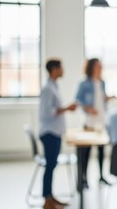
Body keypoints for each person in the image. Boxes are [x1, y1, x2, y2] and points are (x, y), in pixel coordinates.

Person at [39, 59, 77, 209]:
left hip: (55, 133)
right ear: (54, 69)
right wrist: (66, 108)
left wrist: (65, 109)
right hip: (49, 133)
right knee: (50, 166)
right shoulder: (48, 89)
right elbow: (46, 113)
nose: (63, 70)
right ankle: (47, 200)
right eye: (61, 68)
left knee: (52, 165)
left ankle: (50, 197)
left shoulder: (54, 86)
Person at [75, 58, 113, 187]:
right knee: (86, 151)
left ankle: (101, 176)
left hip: (101, 121)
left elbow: (101, 99)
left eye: (101, 66)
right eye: (97, 66)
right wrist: (87, 108)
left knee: (101, 150)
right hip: (89, 121)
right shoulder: (84, 84)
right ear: (91, 67)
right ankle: (83, 179)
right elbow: (78, 100)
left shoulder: (102, 83)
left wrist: (108, 98)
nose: (100, 68)